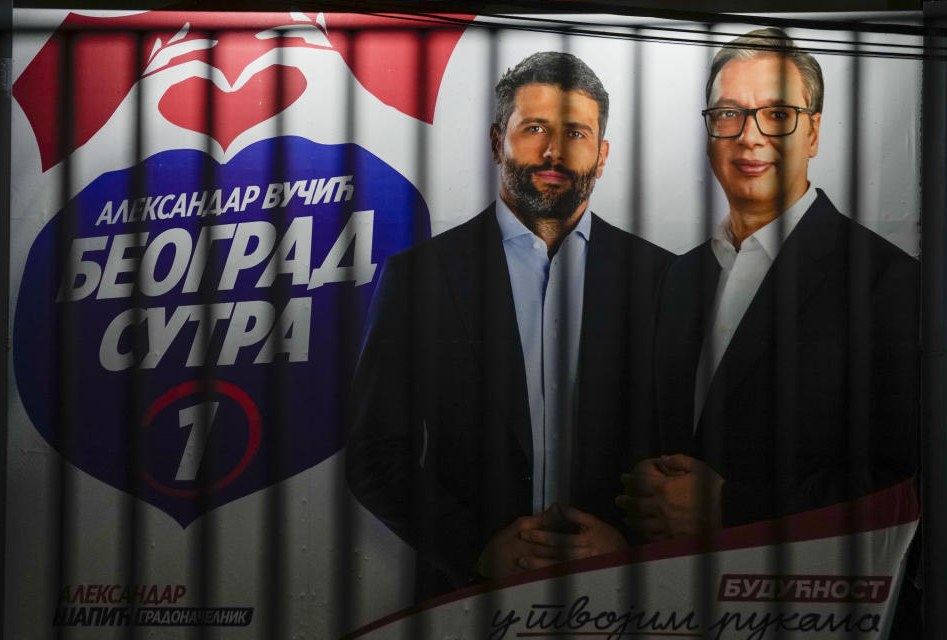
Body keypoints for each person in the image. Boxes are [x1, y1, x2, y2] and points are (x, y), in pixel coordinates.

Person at [346, 51, 672, 600]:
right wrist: (476, 548)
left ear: (603, 153)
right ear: (498, 140)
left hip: (626, 596)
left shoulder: (665, 279)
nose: (553, 152)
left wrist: (627, 548)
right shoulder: (420, 278)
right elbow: (374, 455)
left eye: (576, 133)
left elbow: (684, 448)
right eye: (535, 129)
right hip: (469, 595)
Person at [618, 28, 918, 541]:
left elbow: (908, 485)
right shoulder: (677, 277)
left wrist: (732, 509)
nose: (749, 136)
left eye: (777, 115)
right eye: (728, 113)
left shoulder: (891, 284)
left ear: (814, 132)